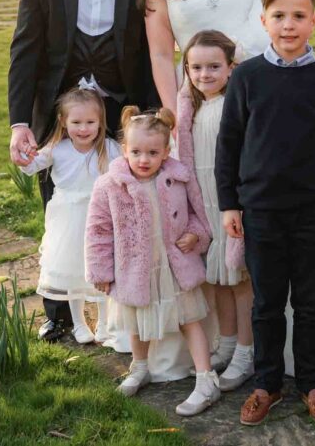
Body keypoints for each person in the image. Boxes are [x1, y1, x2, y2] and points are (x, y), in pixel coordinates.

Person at [8, 0, 158, 341]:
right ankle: (58, 314)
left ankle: (119, 312)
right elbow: (26, 50)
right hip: (59, 114)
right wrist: (19, 123)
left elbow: (155, 54)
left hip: (121, 112)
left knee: (124, 210)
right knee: (61, 209)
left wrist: (154, 118)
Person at [216, 0, 315, 426]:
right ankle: (267, 384)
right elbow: (229, 144)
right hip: (261, 210)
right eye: (279, 16)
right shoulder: (248, 78)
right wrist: (229, 204)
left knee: (312, 301)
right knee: (267, 303)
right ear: (264, 20)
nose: (289, 25)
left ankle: (312, 383)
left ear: (313, 20)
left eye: (299, 16)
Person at [85, 107, 220, 417]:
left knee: (190, 319)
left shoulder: (178, 178)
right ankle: (140, 367)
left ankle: (205, 378)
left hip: (174, 266)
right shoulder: (109, 186)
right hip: (134, 267)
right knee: (136, 320)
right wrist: (101, 271)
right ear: (124, 149)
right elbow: (98, 230)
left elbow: (199, 214)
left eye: (152, 152)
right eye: (136, 152)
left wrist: (195, 235)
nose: (143, 159)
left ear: (165, 151)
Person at [175, 30, 254, 391]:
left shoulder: (234, 103)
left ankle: (246, 352)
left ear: (230, 67)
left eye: (213, 66)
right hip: (204, 200)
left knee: (239, 280)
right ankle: (225, 344)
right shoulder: (190, 108)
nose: (204, 74)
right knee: (218, 279)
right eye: (196, 67)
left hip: (231, 201)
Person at [19, 86, 121, 344]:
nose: (83, 128)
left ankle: (104, 323)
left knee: (101, 269)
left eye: (90, 122)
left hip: (100, 216)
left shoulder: (109, 148)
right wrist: (24, 155)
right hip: (67, 218)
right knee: (72, 269)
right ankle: (79, 324)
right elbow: (30, 168)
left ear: (101, 122)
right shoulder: (57, 148)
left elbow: (126, 172)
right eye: (76, 122)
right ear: (64, 122)